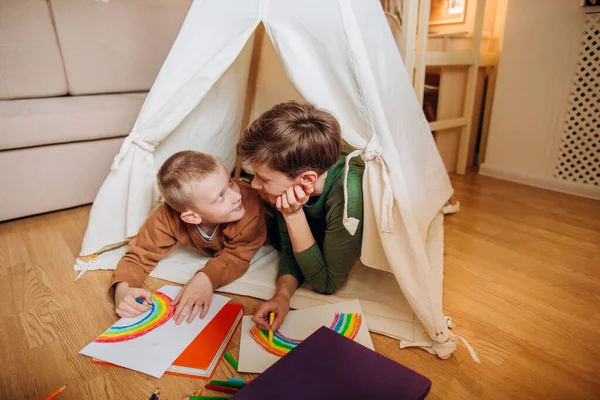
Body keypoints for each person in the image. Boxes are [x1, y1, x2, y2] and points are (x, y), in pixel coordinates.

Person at [236, 101, 364, 332]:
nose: (254, 184)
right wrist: (282, 296)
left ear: (306, 180)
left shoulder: (349, 194)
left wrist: (293, 215)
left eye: (264, 179)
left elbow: (326, 284)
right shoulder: (291, 181)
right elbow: (289, 247)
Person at [110, 150, 266, 324]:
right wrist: (122, 289)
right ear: (192, 217)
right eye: (220, 196)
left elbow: (237, 256)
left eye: (230, 181)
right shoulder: (166, 217)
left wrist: (206, 278)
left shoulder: (250, 205)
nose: (237, 196)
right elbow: (140, 254)